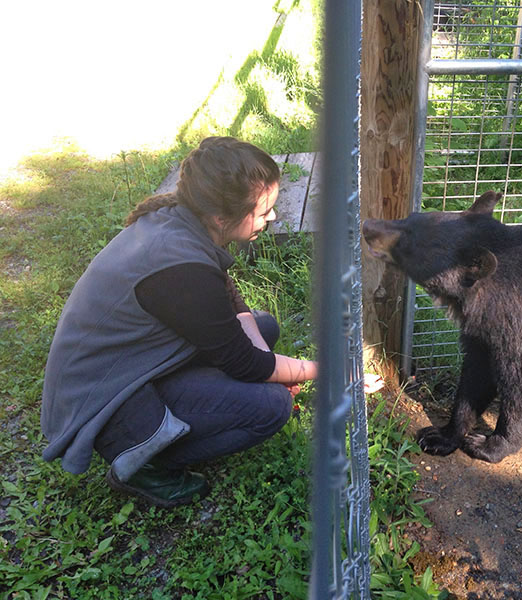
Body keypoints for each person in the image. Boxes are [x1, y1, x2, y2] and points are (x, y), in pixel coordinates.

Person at [40, 136, 317, 507]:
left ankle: (180, 413)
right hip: (109, 401)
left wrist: (273, 365)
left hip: (132, 365)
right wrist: (319, 370)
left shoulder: (181, 221)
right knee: (271, 406)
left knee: (263, 329)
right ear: (222, 217)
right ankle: (141, 462)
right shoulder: (181, 269)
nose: (273, 217)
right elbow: (245, 363)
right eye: (263, 210)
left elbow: (229, 297)